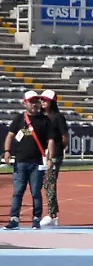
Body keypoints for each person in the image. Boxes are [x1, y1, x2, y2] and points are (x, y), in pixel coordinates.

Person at [5, 90, 56, 230]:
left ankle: (36, 219)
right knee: (18, 192)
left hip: (37, 162)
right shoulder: (19, 119)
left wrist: (50, 158)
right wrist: (7, 152)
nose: (34, 104)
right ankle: (14, 218)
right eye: (31, 102)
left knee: (35, 192)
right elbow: (10, 136)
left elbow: (51, 140)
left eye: (36, 101)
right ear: (25, 103)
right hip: (20, 161)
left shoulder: (45, 120)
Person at [39, 90, 68, 227]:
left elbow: (65, 136)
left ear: (52, 102)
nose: (43, 102)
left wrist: (58, 149)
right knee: (45, 183)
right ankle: (53, 214)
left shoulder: (58, 117)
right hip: (41, 152)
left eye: (45, 100)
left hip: (54, 153)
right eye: (42, 99)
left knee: (49, 182)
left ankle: (52, 214)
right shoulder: (39, 116)